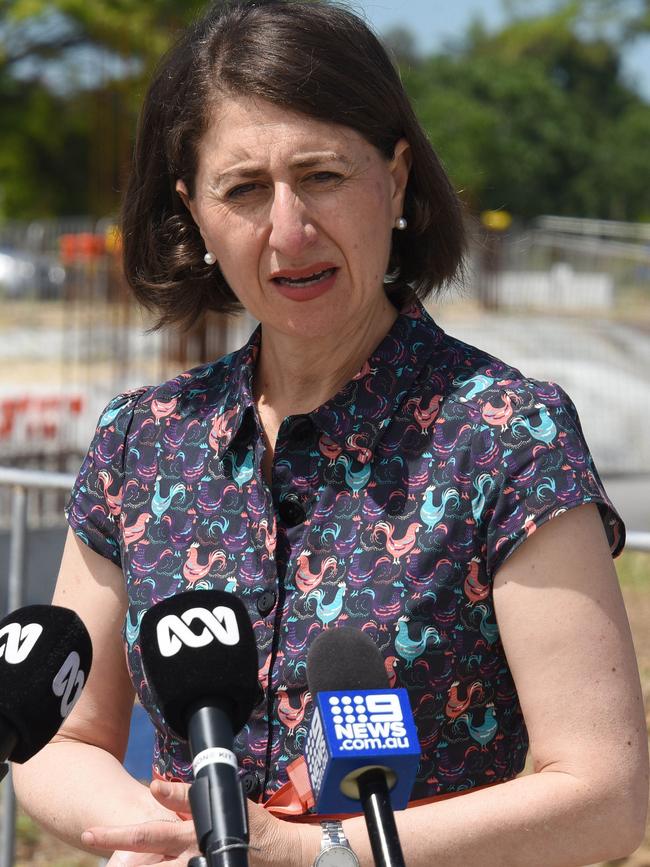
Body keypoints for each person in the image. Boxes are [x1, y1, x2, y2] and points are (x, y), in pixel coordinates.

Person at [13, 1, 648, 865]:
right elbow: (68, 735)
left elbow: (604, 794)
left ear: (395, 178)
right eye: (242, 189)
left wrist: (320, 853)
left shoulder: (507, 435)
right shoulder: (140, 440)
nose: (288, 229)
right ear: (193, 212)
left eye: (322, 175)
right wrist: (168, 839)